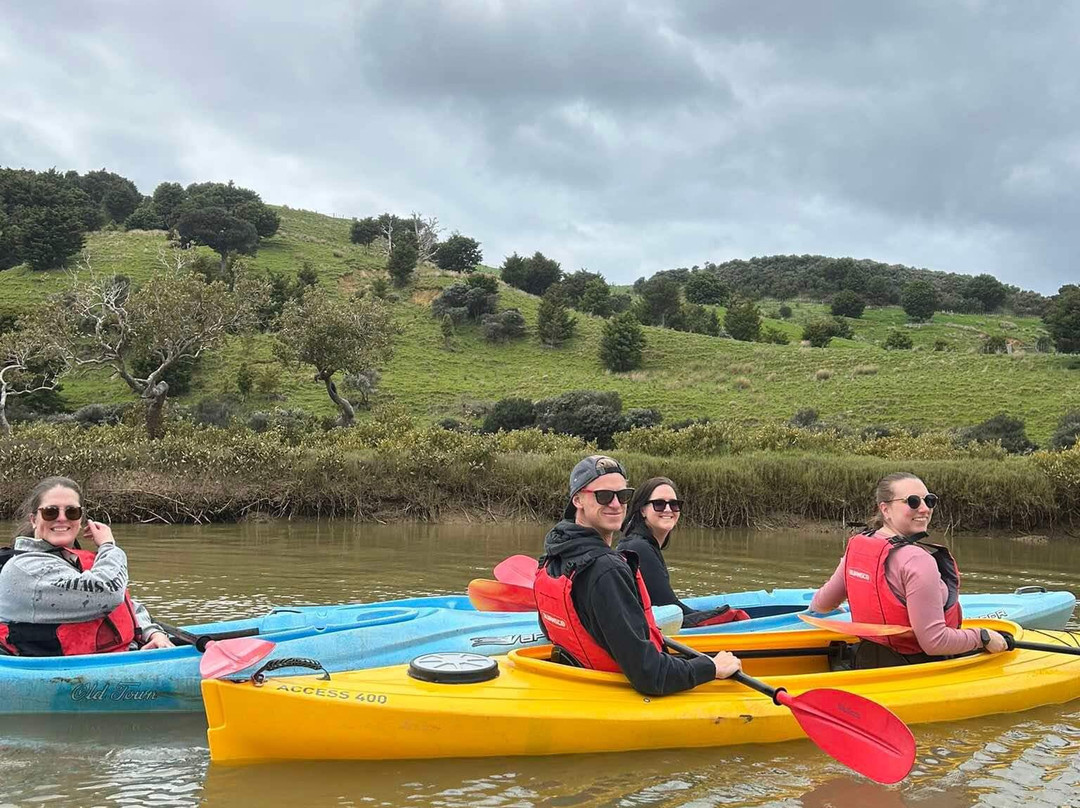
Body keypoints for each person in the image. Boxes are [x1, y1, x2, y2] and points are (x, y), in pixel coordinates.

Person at [534, 455, 742, 695]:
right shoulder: (606, 570)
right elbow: (651, 675)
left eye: (623, 496)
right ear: (577, 500)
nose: (616, 504)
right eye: (604, 496)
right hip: (614, 694)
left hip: (581, 683)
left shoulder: (553, 556)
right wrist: (711, 667)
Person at [809, 472, 1009, 668]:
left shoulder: (858, 548)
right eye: (912, 502)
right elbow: (935, 642)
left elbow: (821, 604)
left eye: (929, 501)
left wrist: (842, 605)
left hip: (867, 661)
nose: (924, 509)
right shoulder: (917, 561)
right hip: (916, 668)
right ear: (885, 509)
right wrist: (983, 637)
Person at [0, 476, 174, 656]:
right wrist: (108, 546)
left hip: (115, 655)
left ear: (80, 519)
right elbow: (109, 593)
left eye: (71, 512)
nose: (62, 518)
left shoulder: (69, 560)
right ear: (34, 519)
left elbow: (124, 604)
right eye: (50, 512)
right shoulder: (25, 569)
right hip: (61, 668)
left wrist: (153, 633)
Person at [617, 477, 750, 628]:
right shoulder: (639, 548)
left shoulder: (637, 543)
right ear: (642, 510)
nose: (668, 509)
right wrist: (727, 615)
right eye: (659, 504)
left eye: (674, 504)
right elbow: (670, 609)